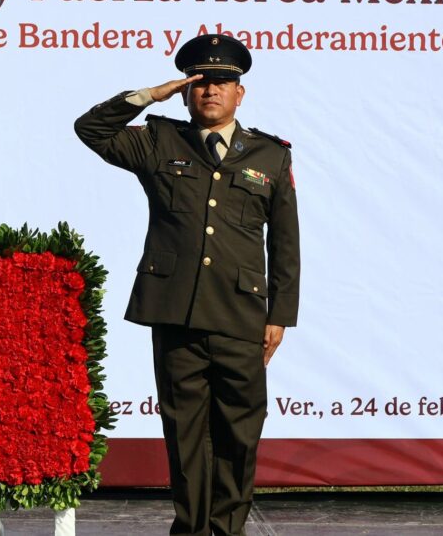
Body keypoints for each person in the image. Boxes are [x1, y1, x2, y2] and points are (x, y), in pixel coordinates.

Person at [74, 34, 299, 536]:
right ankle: (191, 529)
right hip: (176, 313)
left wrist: (279, 314)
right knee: (185, 434)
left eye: (222, 82)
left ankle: (227, 530)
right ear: (185, 91)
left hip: (242, 316)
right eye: (200, 82)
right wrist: (150, 94)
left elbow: (285, 244)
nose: (211, 91)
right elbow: (90, 128)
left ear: (241, 93)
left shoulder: (270, 155)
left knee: (239, 434)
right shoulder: (159, 142)